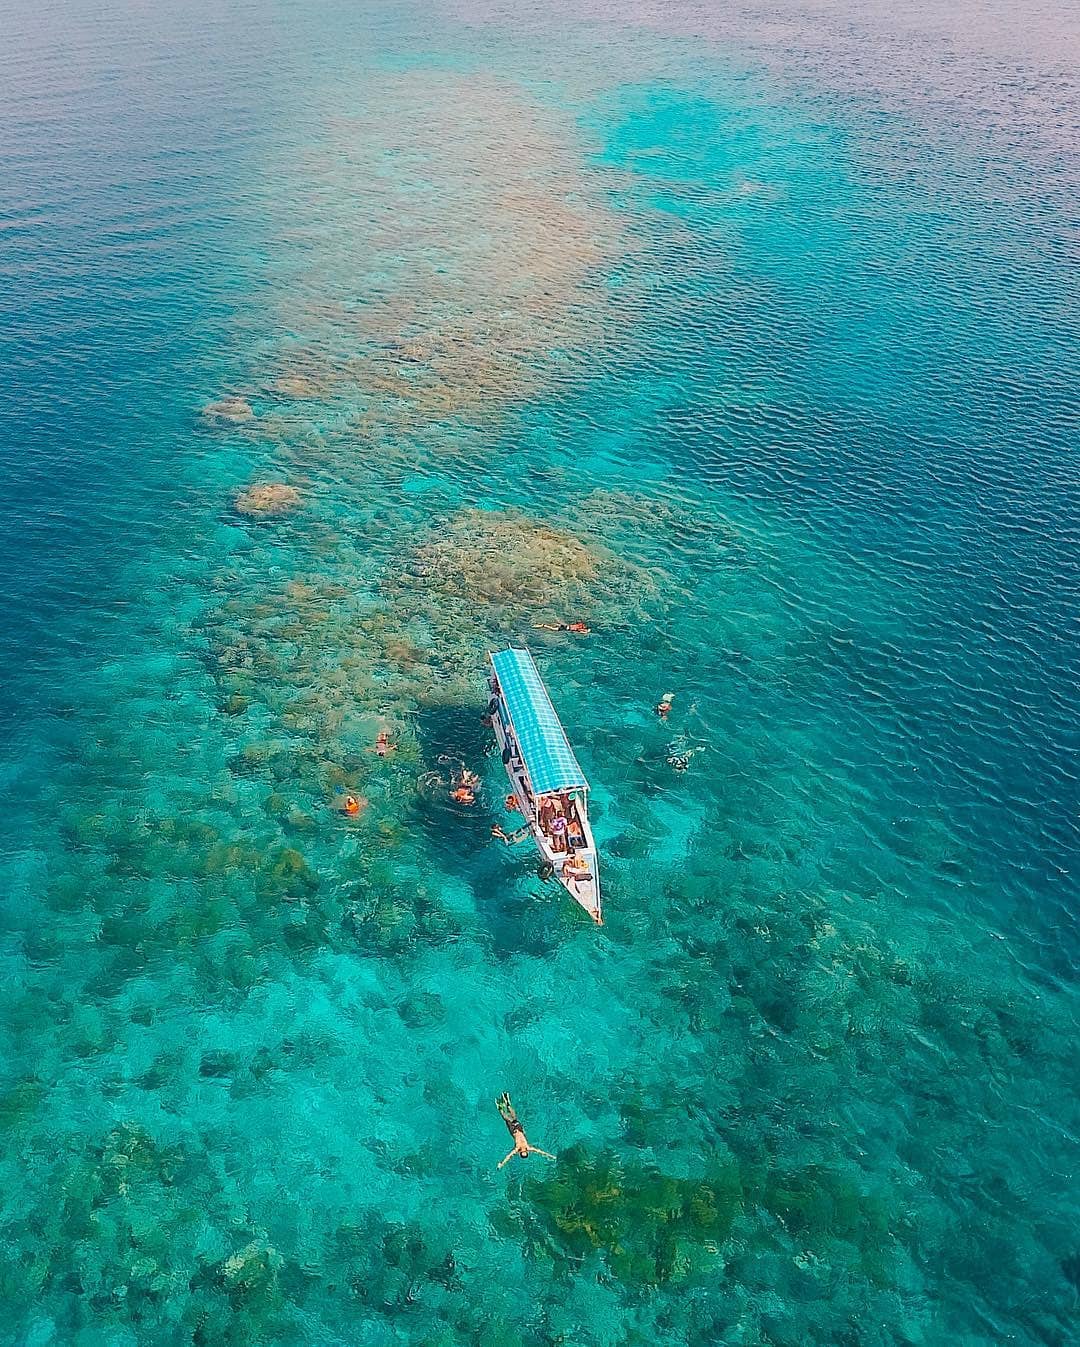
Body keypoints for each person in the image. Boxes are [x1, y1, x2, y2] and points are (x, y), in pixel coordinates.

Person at [496, 1093, 555, 1168]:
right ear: (527, 1152)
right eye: (525, 1152)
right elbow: (541, 1152)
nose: (523, 1150)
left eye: (522, 1152)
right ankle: (507, 1103)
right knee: (514, 1118)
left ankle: (502, 1107)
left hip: (513, 1130)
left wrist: (501, 1164)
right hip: (519, 1129)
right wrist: (552, 1157)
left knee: (507, 1118)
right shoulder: (529, 1147)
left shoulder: (517, 1149)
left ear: (520, 1152)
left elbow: (508, 1157)